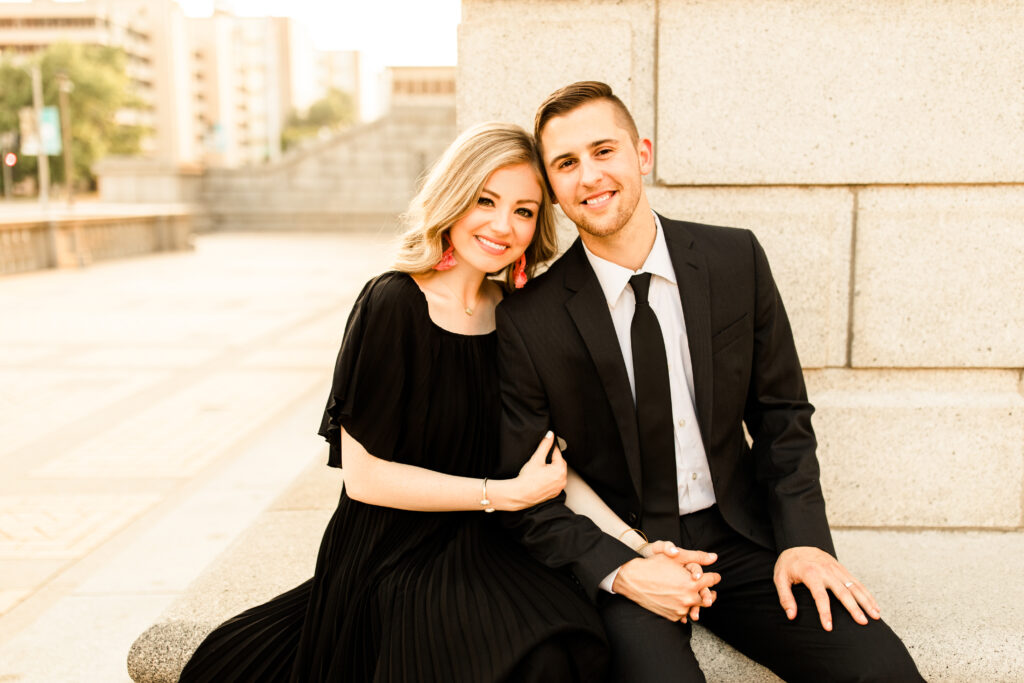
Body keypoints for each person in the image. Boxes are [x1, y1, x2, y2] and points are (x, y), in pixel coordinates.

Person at [495, 81, 925, 682]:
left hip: (741, 536)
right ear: (552, 186)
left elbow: (782, 416)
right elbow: (528, 494)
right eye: (566, 163)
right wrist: (618, 568)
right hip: (627, 548)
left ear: (642, 154)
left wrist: (804, 542)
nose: (589, 175)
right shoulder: (526, 319)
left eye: (604, 151)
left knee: (879, 671)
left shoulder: (735, 259)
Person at [178, 122, 615, 683]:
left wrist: (632, 547)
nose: (503, 226)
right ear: (454, 198)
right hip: (392, 548)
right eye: (486, 200)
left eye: (525, 211)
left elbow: (549, 460)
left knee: (565, 642)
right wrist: (502, 495)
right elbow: (364, 479)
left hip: (489, 542)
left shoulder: (517, 314)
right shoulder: (392, 303)